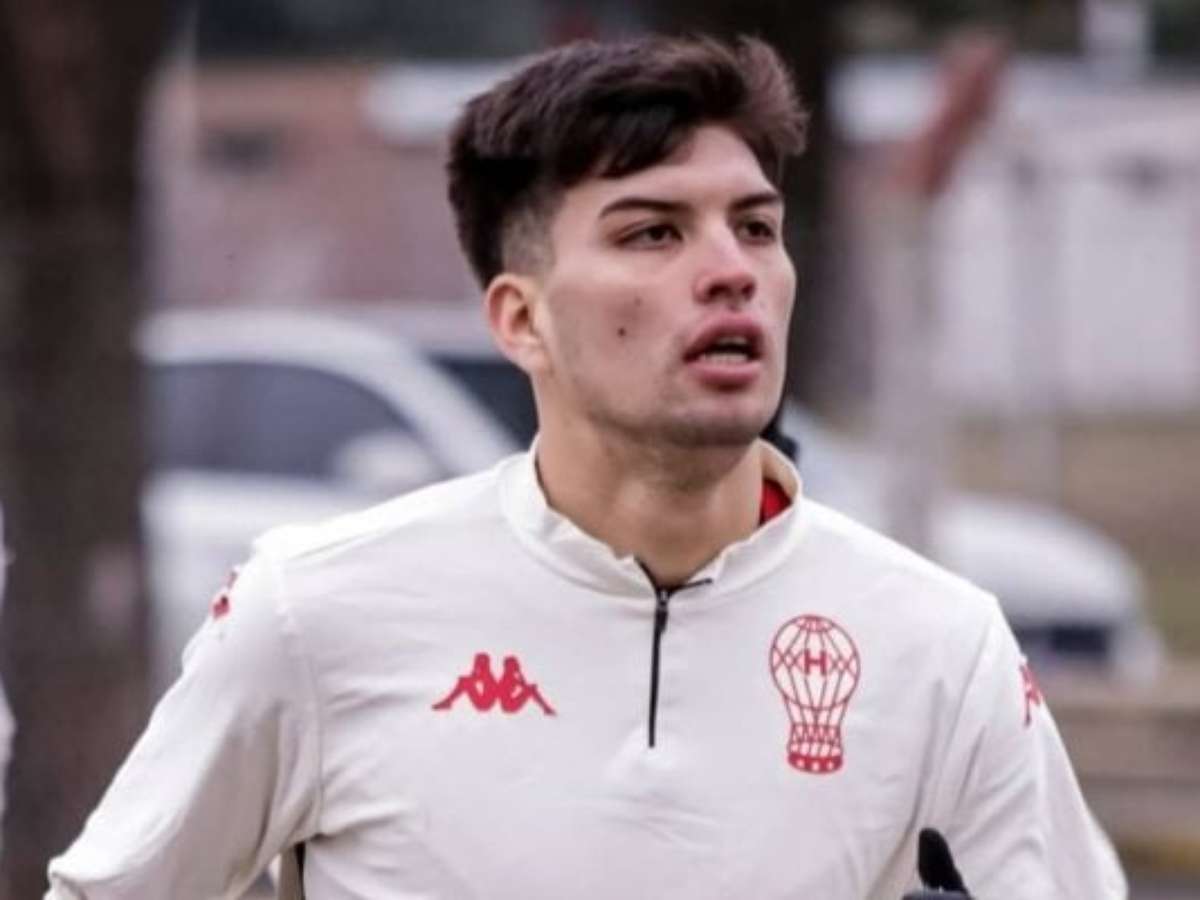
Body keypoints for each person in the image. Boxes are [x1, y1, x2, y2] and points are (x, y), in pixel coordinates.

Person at [46, 35, 1125, 899]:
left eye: (756, 227)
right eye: (654, 233)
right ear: (522, 320)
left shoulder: (941, 646)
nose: (731, 271)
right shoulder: (312, 609)